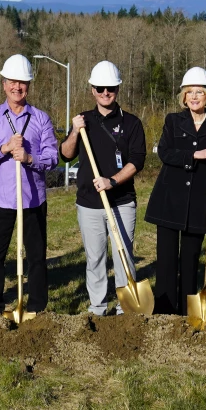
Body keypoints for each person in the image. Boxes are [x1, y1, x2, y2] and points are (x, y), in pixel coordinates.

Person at [59, 61, 148, 315]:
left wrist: (113, 181)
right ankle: (98, 307)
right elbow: (65, 155)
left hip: (121, 201)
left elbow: (137, 161)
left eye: (110, 88)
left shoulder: (131, 123)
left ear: (117, 89)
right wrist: (75, 131)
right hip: (89, 203)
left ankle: (126, 307)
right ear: (92, 89)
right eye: (100, 88)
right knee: (95, 258)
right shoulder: (83, 120)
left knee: (123, 256)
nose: (105, 92)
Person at [0, 55, 59, 314]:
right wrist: (4, 148)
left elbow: (53, 157)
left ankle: (36, 308)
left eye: (22, 82)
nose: (16, 87)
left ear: (29, 85)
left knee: (36, 258)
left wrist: (30, 158)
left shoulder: (41, 118)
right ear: (3, 84)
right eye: (12, 82)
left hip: (33, 200)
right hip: (0, 199)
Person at [144, 66, 206, 315]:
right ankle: (164, 311)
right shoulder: (173, 121)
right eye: (189, 92)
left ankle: (187, 312)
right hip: (169, 200)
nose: (194, 97)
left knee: (191, 259)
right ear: (184, 96)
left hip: (198, 204)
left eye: (199, 92)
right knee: (167, 260)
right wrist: (196, 154)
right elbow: (165, 153)